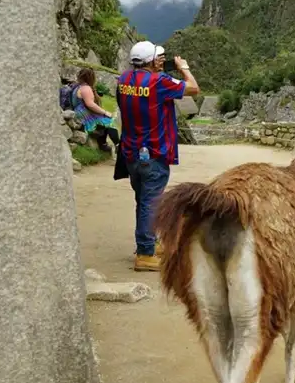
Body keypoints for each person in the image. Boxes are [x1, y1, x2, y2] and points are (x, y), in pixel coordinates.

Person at [117, 41, 199, 271]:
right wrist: (184, 68)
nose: (161, 61)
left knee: (143, 199)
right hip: (154, 152)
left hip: (131, 153)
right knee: (151, 203)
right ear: (151, 61)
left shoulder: (124, 80)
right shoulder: (159, 83)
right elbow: (193, 88)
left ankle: (149, 242)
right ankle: (145, 253)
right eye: (158, 58)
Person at [70, 68, 119, 153]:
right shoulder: (86, 88)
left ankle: (103, 144)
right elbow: (90, 104)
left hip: (79, 112)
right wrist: (105, 112)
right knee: (110, 122)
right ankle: (117, 146)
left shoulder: (77, 87)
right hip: (85, 115)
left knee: (104, 122)